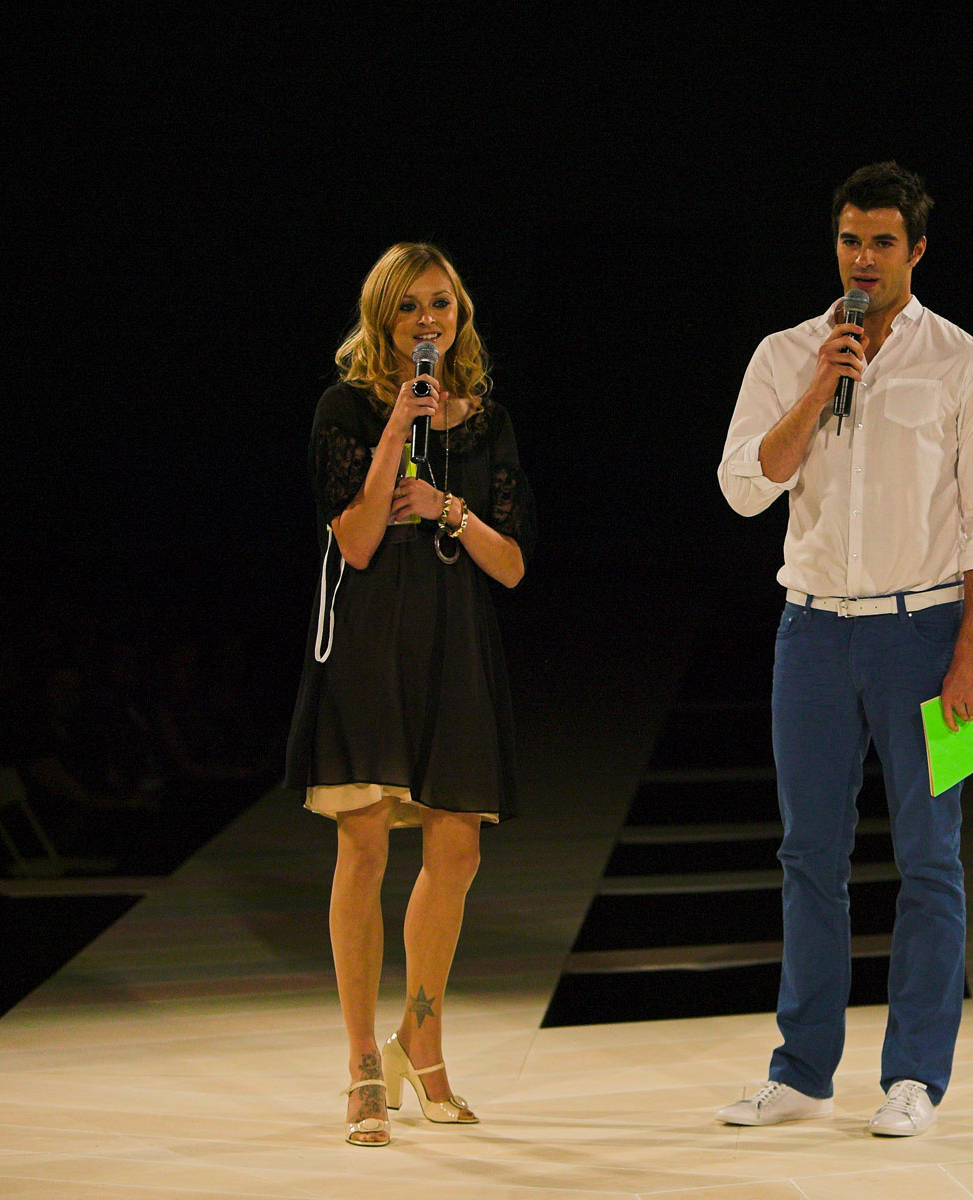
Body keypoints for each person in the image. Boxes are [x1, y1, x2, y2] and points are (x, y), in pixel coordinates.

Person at [714, 163, 973, 1136]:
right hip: (810, 632)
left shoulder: (967, 365)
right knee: (809, 853)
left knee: (931, 856)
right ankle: (803, 1069)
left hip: (926, 634)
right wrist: (819, 387)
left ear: (916, 250)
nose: (864, 259)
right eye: (851, 240)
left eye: (883, 242)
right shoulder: (787, 354)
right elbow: (745, 487)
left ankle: (916, 1074)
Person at [284, 242, 535, 1147]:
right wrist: (396, 430)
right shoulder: (344, 410)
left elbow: (512, 565)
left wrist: (446, 509)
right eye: (410, 307)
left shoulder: (489, 423)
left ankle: (419, 1043)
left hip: (453, 646)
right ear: (382, 317)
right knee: (362, 845)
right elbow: (354, 542)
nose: (429, 320)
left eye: (442, 304)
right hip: (369, 644)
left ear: (459, 315)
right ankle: (362, 1064)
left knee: (456, 851)